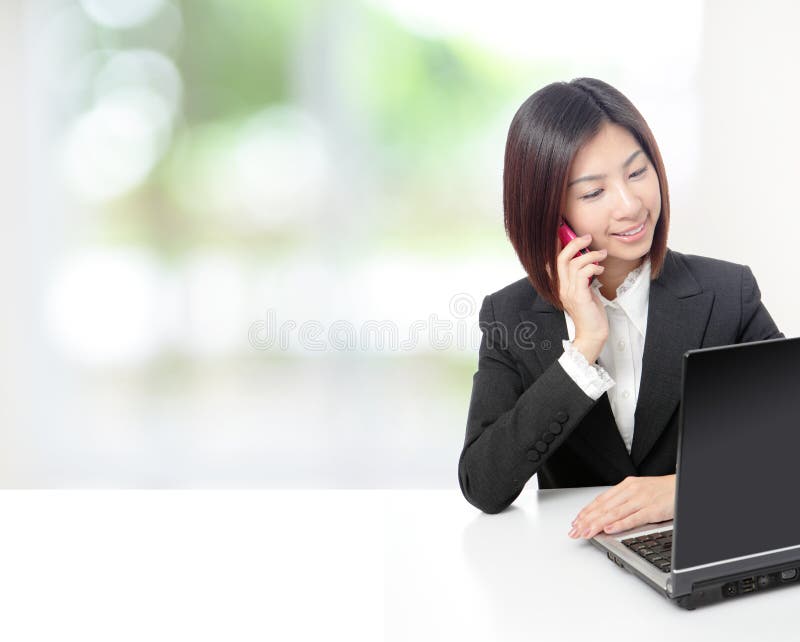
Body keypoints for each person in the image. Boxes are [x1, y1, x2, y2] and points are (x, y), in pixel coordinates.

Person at [458, 78, 784, 539]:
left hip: (702, 550)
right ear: (549, 213)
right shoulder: (510, 317)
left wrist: (682, 491)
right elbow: (482, 485)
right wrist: (584, 348)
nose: (630, 206)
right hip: (573, 572)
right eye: (593, 193)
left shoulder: (726, 293)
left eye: (637, 173)